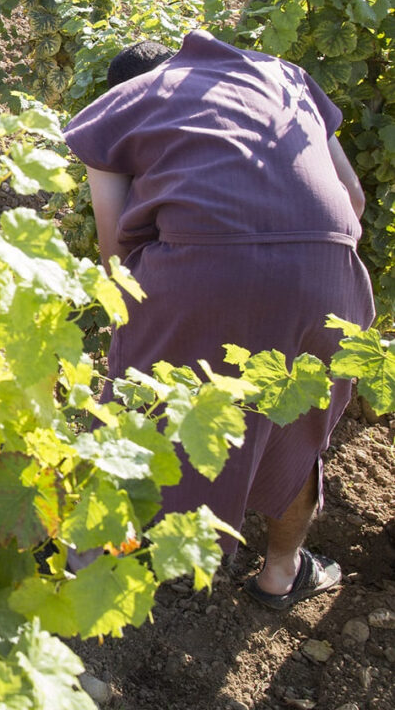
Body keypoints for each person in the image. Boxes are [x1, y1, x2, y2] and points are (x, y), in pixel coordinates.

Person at [65, 32, 373, 612]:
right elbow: (351, 199)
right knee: (295, 424)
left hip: (205, 274)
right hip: (329, 273)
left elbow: (116, 263)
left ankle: (92, 564)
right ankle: (281, 572)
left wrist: (133, 340)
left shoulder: (125, 106)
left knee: (141, 403)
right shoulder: (282, 76)